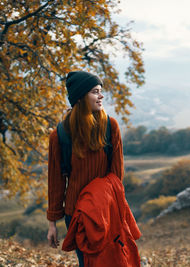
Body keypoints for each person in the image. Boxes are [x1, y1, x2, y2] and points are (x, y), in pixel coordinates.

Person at [46, 71, 124, 266]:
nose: (101, 96)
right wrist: (52, 224)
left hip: (105, 210)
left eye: (100, 91)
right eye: (95, 92)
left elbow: (117, 176)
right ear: (80, 97)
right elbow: (56, 182)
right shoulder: (60, 135)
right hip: (77, 214)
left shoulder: (109, 126)